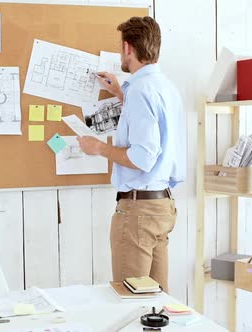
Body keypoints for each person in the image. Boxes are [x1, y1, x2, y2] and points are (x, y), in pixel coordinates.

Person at [77, 16, 185, 292]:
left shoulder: (140, 90)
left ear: (127, 48)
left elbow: (142, 158)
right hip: (162, 206)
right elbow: (155, 127)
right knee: (157, 304)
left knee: (132, 299)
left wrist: (98, 148)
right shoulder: (167, 88)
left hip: (139, 211)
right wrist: (121, 94)